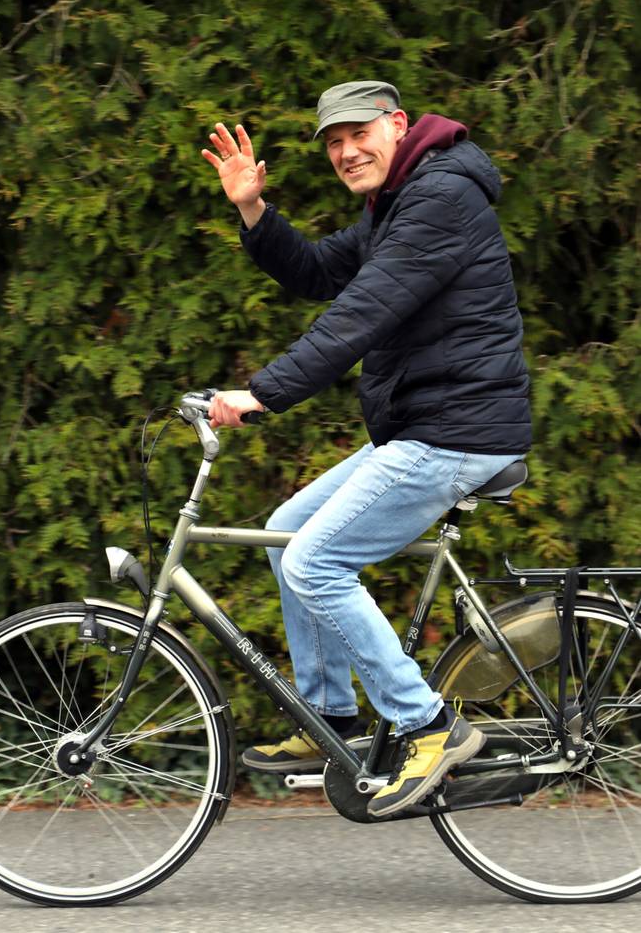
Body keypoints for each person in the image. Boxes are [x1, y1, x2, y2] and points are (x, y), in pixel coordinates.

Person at [200, 80, 531, 817]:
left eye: (359, 134)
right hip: (425, 427)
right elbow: (321, 273)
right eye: (333, 143)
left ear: (399, 125)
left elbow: (363, 312)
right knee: (288, 532)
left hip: (457, 431)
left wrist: (264, 392)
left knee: (316, 559)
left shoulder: (440, 199)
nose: (346, 151)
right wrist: (253, 208)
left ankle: (429, 726)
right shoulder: (399, 202)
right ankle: (331, 720)